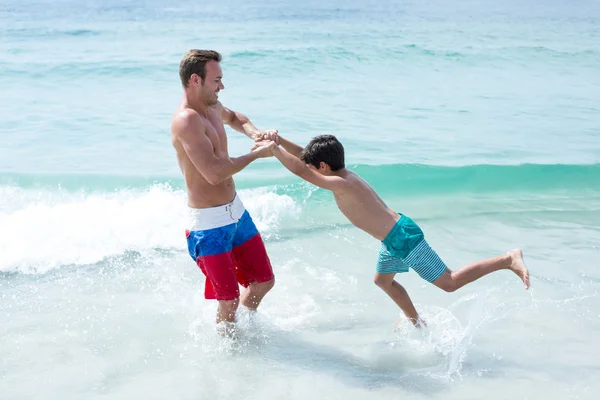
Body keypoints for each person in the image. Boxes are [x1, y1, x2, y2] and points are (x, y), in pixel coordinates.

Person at [255, 132, 530, 328]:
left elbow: (303, 171)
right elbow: (305, 160)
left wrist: (275, 151)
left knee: (449, 282)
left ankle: (507, 259)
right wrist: (277, 141)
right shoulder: (342, 175)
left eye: (315, 166)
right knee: (382, 281)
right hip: (393, 238)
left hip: (402, 238)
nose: (310, 167)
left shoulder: (342, 184)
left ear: (324, 166)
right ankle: (416, 322)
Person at [170, 49, 278, 334]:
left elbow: (236, 118)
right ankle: (228, 351)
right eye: (216, 80)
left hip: (236, 212)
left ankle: (244, 331)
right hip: (209, 225)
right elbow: (214, 173)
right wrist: (257, 155)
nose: (222, 87)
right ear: (196, 80)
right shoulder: (187, 121)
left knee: (264, 280)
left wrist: (255, 134)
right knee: (227, 300)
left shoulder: (212, 107)